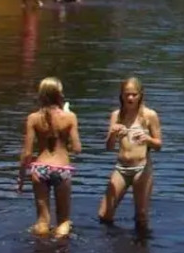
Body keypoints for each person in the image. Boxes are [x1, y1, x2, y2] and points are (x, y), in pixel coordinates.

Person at [98, 76, 163, 234]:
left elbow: (159, 145)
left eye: (134, 94)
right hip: (121, 168)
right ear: (121, 95)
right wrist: (113, 134)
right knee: (104, 215)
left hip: (142, 167)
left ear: (141, 95)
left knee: (141, 216)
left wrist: (147, 139)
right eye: (127, 94)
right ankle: (111, 242)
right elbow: (109, 146)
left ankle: (141, 249)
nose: (130, 98)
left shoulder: (149, 116)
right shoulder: (116, 115)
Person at [18, 77, 82, 237]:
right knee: (64, 221)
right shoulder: (70, 117)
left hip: (39, 169)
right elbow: (77, 148)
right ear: (59, 95)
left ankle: (41, 251)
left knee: (42, 222)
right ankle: (59, 251)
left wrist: (21, 177)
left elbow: (27, 153)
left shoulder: (33, 118)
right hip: (62, 169)